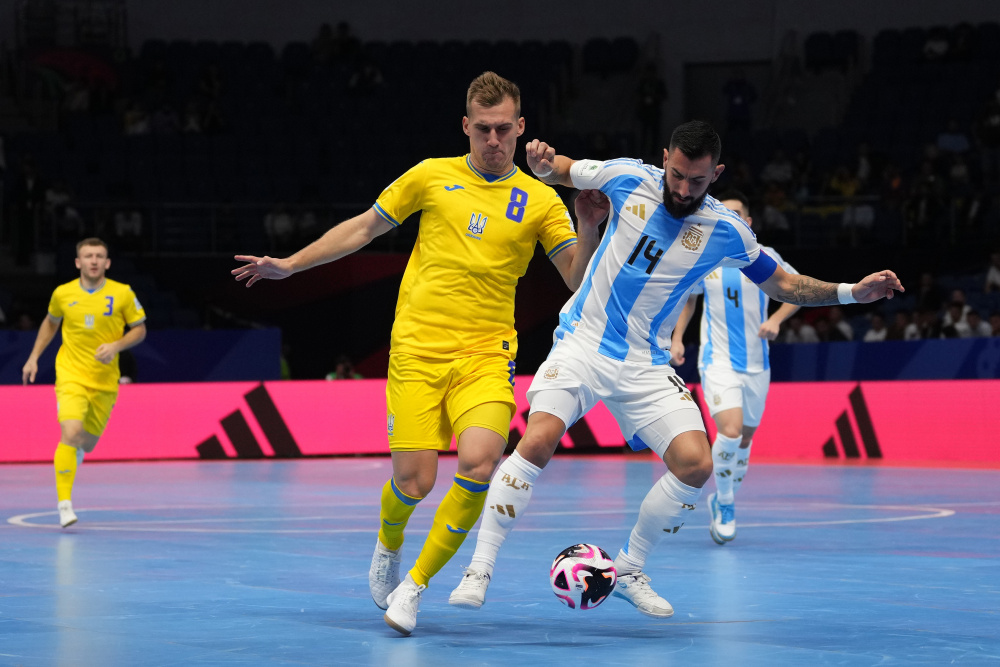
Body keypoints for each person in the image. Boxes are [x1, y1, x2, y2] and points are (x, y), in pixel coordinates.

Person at [449, 120, 903, 618]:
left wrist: (851, 292)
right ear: (665, 159)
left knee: (696, 463)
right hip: (583, 341)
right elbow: (560, 169)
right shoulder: (628, 178)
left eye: (698, 182)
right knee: (537, 440)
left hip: (645, 361)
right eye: (679, 176)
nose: (684, 190)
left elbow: (782, 284)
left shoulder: (725, 230)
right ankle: (480, 568)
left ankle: (628, 569)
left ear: (717, 174)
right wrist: (540, 162)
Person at [230, 72, 603, 636]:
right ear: (465, 127)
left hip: (486, 355)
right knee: (414, 482)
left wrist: (586, 222)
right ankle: (388, 541)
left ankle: (415, 586)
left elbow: (577, 278)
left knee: (480, 462)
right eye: (483, 129)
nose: (494, 140)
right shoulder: (432, 177)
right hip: (417, 352)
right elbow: (361, 229)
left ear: (521, 127)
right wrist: (288, 265)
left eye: (505, 129)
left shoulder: (541, 201)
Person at [668, 189, 800, 545]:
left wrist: (776, 320)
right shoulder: (706, 258)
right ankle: (725, 503)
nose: (731, 218)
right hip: (718, 362)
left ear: (749, 222)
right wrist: (678, 338)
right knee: (729, 430)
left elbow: (795, 291)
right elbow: (687, 302)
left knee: (744, 440)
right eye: (725, 213)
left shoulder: (767, 257)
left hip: (758, 365)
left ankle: (722, 495)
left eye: (738, 213)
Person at [22, 238, 147, 528]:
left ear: (107, 262)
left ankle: (75, 452)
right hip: (70, 375)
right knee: (71, 430)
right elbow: (51, 322)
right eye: (88, 256)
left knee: (87, 444)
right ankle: (64, 504)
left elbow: (139, 330)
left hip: (105, 381)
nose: (93, 260)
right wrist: (33, 357)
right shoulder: (63, 294)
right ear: (78, 262)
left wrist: (116, 346)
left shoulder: (123, 293)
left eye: (99, 256)